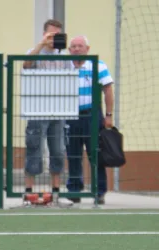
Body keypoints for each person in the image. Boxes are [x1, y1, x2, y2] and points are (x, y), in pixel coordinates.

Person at [22, 19, 72, 203]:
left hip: (57, 111)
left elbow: (71, 78)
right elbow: (26, 65)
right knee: (34, 148)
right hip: (37, 110)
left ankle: (56, 192)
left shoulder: (64, 57)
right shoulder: (35, 52)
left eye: (57, 35)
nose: (53, 39)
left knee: (58, 150)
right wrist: (42, 44)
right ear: (44, 34)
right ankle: (28, 193)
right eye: (50, 35)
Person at [67, 36, 114, 205]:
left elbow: (108, 90)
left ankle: (98, 191)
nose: (77, 49)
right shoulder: (64, 66)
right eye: (73, 46)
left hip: (92, 115)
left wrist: (109, 115)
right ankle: (74, 190)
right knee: (73, 154)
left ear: (87, 48)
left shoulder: (98, 66)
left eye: (80, 46)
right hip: (69, 115)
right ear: (69, 50)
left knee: (95, 153)